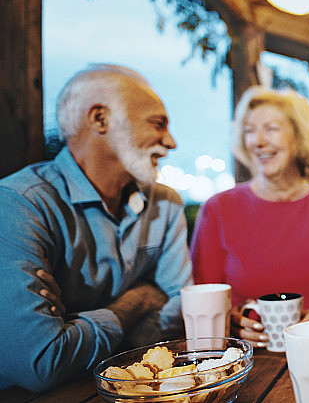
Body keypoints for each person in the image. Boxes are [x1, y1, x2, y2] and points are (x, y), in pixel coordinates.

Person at [0, 64, 192, 392]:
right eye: (158, 123)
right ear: (99, 119)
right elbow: (42, 362)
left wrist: (74, 327)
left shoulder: (166, 204)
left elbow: (180, 313)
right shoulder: (19, 203)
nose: (170, 142)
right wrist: (140, 299)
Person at [189, 86, 309, 348]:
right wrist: (233, 321)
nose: (257, 141)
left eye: (271, 128)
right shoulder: (219, 208)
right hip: (246, 357)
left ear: (299, 136)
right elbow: (203, 293)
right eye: (249, 130)